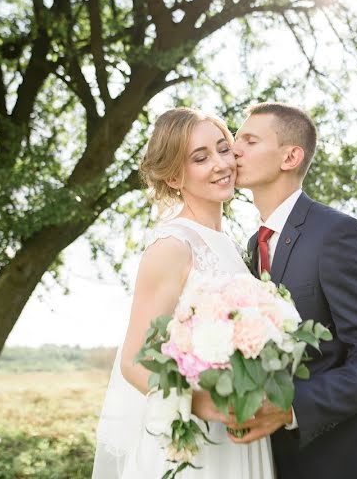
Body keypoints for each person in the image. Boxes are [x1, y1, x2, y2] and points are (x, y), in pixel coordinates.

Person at [91, 107, 275, 479]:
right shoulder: (172, 245)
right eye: (200, 158)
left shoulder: (233, 246)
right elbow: (133, 363)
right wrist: (206, 406)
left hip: (239, 432)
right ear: (175, 176)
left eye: (224, 149)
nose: (221, 164)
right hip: (194, 442)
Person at [227, 102, 357, 479]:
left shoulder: (338, 235)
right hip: (274, 461)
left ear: (290, 156)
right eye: (236, 139)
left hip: (345, 462)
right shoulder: (251, 245)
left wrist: (289, 406)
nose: (234, 149)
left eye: (250, 140)